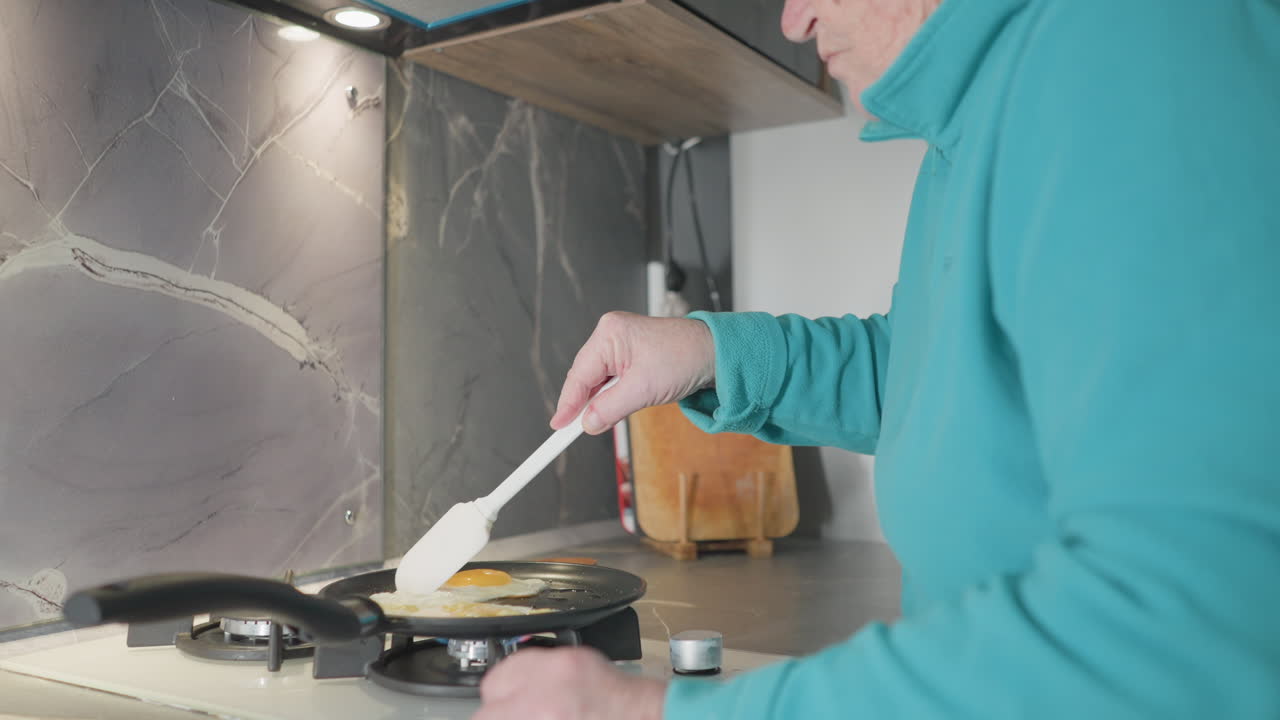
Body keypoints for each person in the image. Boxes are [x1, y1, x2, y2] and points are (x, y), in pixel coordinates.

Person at [474, 0, 1280, 717]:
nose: (792, 21)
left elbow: (1184, 622)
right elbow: (933, 378)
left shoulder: (1136, 42)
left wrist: (652, 714)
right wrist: (710, 351)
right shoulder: (973, 135)